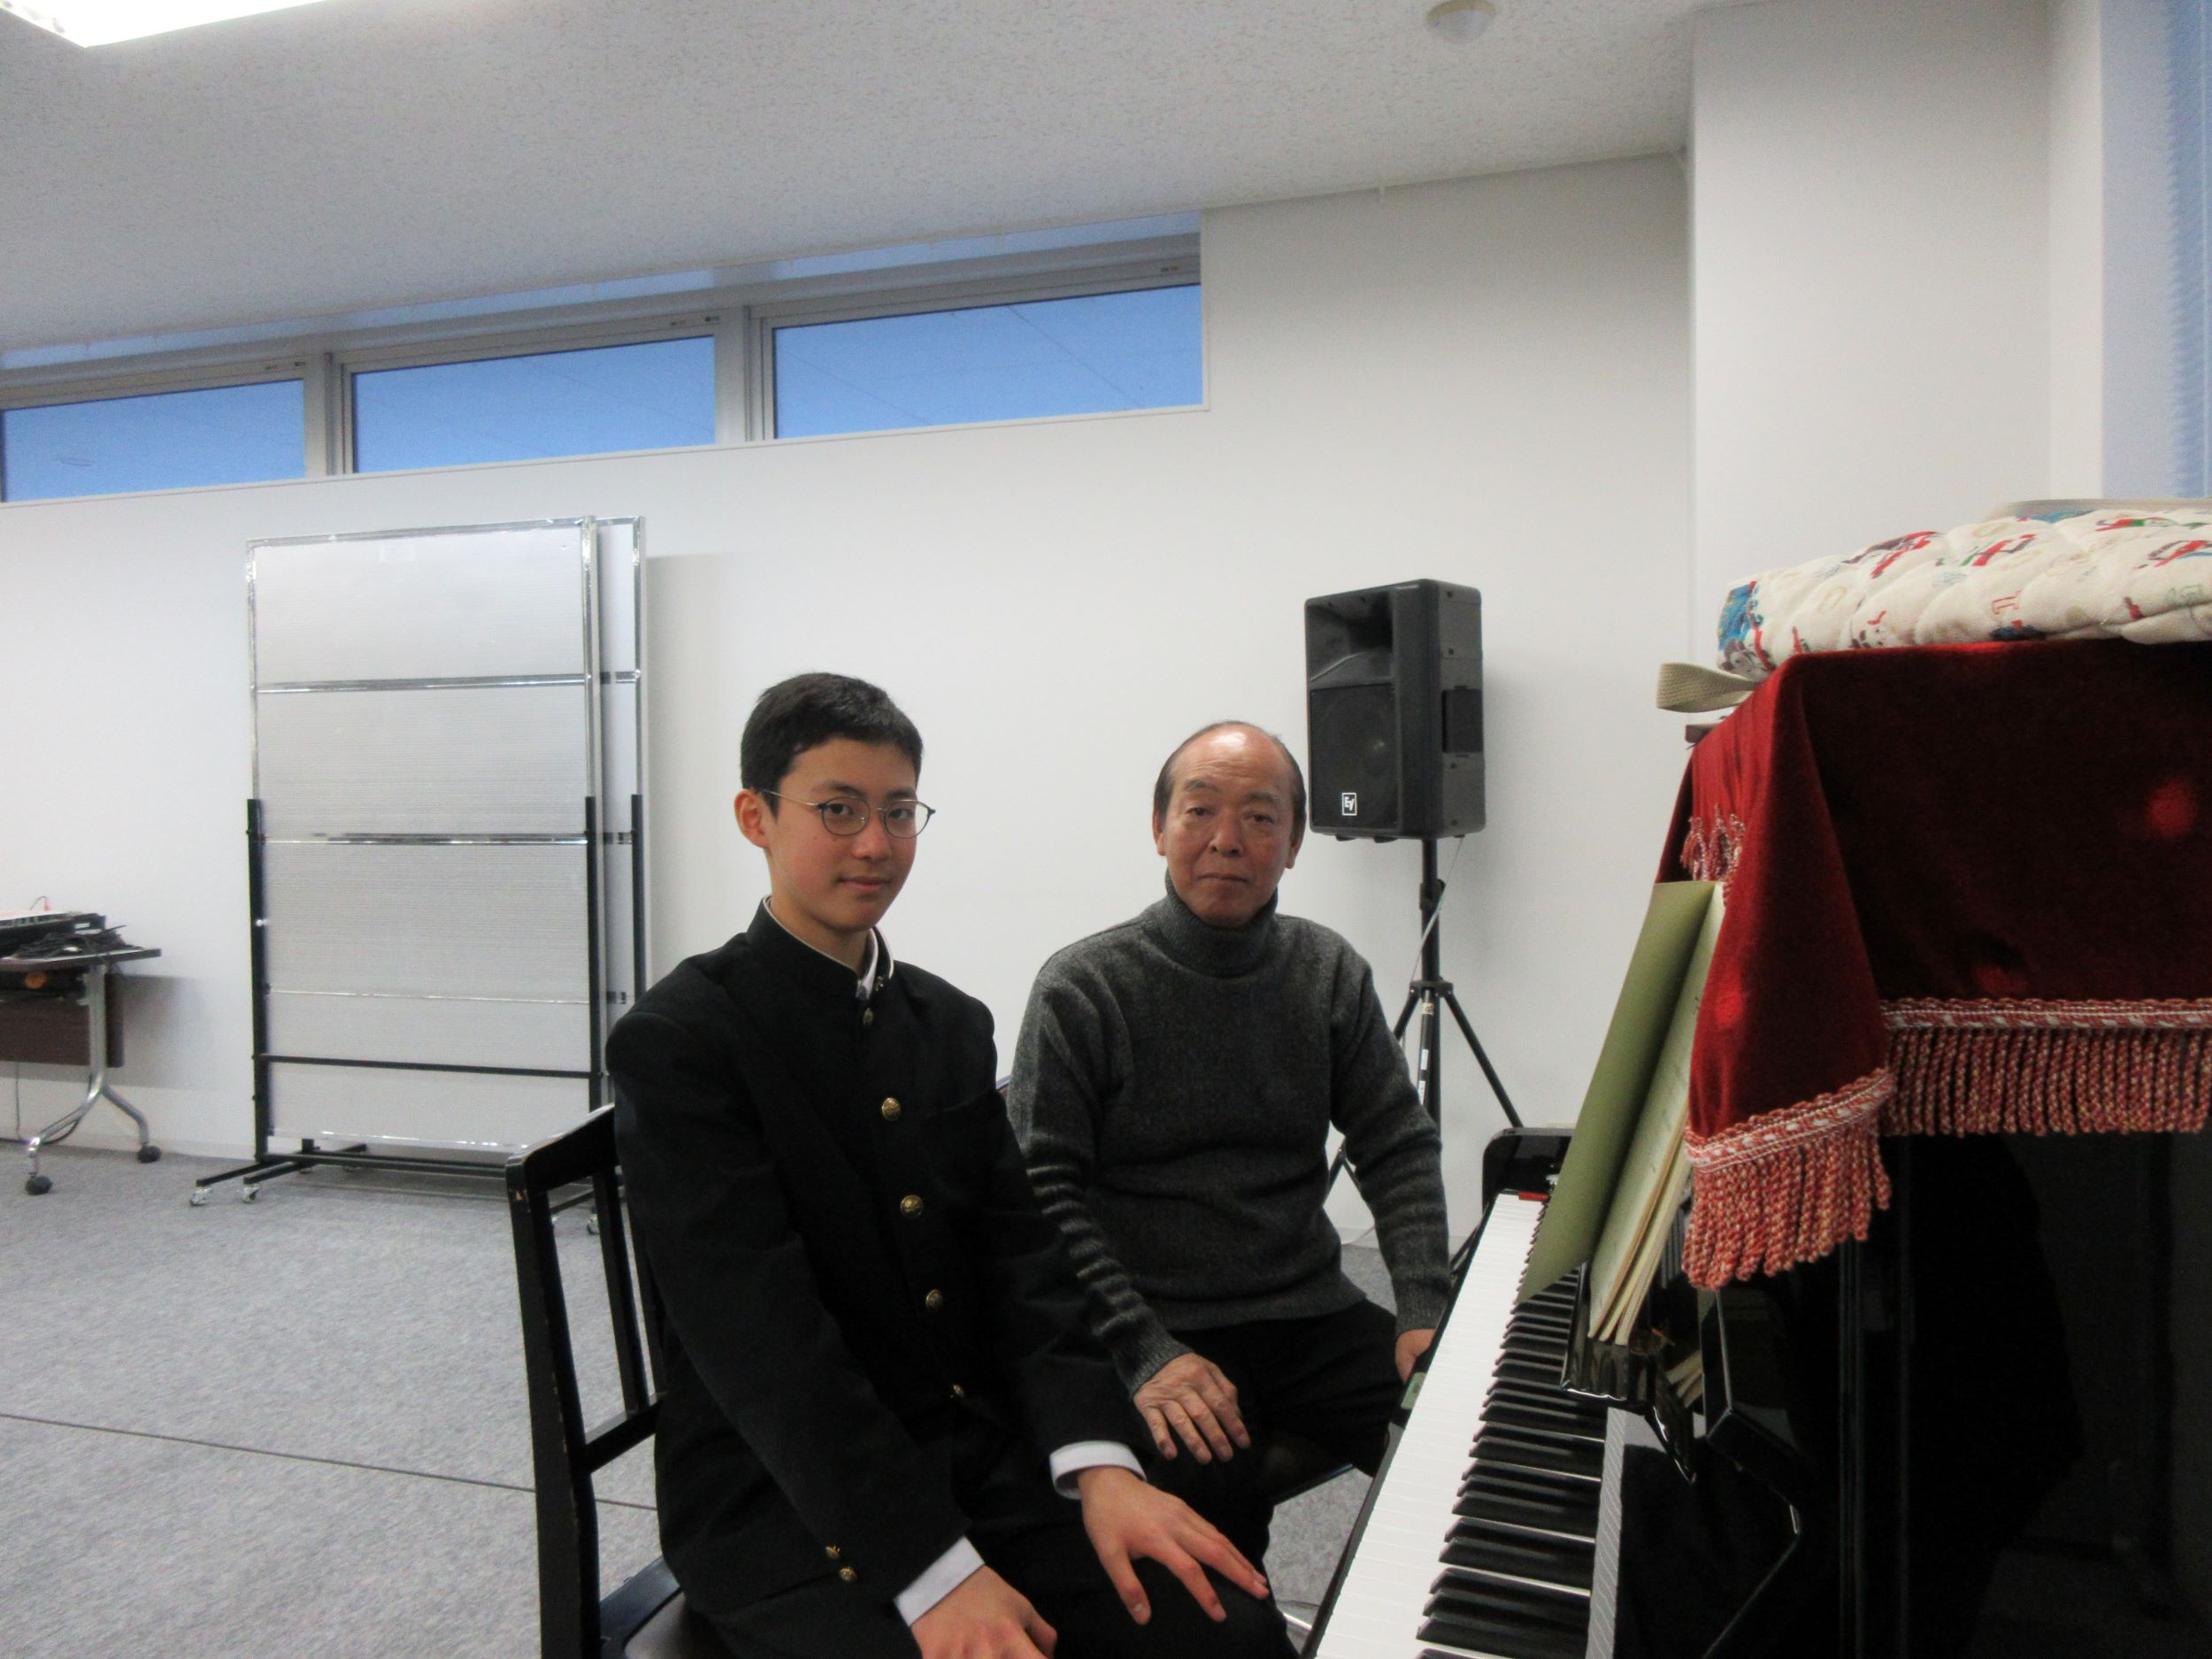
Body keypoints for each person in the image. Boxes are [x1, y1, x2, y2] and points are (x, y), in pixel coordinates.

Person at [608, 674, 1287, 1659]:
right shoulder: (683, 1041)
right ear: (756, 817)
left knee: (1230, 1631)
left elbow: (1024, 1266)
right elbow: (768, 1351)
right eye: (838, 810)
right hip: (790, 1505)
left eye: (898, 811)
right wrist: (933, 1571)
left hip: (975, 1455)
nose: (875, 844)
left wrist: (1101, 1465)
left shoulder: (947, 1024)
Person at [1008, 721, 1451, 1569]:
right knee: (1214, 1543)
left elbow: (1395, 1141)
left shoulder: (1326, 970)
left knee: (1462, 1437)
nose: (1227, 839)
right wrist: (1141, 1350)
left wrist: (1424, 1307)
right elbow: (1042, 1190)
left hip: (1308, 1308)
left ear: (1294, 843)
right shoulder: (1085, 986)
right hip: (1155, 1317)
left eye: (1259, 816)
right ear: (1159, 827)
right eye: (1200, 809)